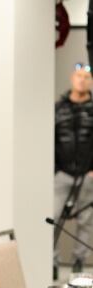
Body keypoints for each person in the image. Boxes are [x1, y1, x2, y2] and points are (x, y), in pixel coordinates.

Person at [54, 63, 93, 275]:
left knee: (85, 220)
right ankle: (51, 261)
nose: (82, 80)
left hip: (87, 175)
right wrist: (53, 169)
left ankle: (79, 262)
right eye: (79, 76)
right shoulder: (58, 109)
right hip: (62, 173)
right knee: (54, 217)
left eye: (87, 77)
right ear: (72, 78)